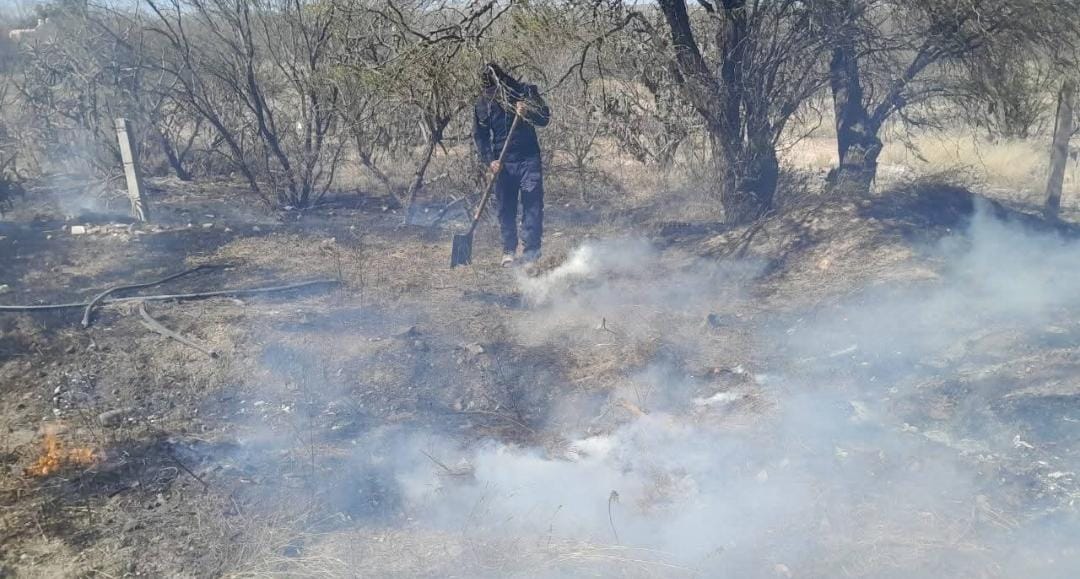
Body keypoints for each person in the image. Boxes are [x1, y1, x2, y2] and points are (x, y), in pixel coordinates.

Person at [473, 63, 550, 267]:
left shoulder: (523, 92)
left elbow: (544, 119)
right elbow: (480, 137)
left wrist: (528, 111)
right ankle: (508, 250)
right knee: (506, 207)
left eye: (495, 89)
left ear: (502, 83)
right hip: (502, 162)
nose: (491, 94)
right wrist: (490, 161)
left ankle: (532, 251)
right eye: (487, 90)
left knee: (532, 201)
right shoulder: (482, 103)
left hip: (528, 158)